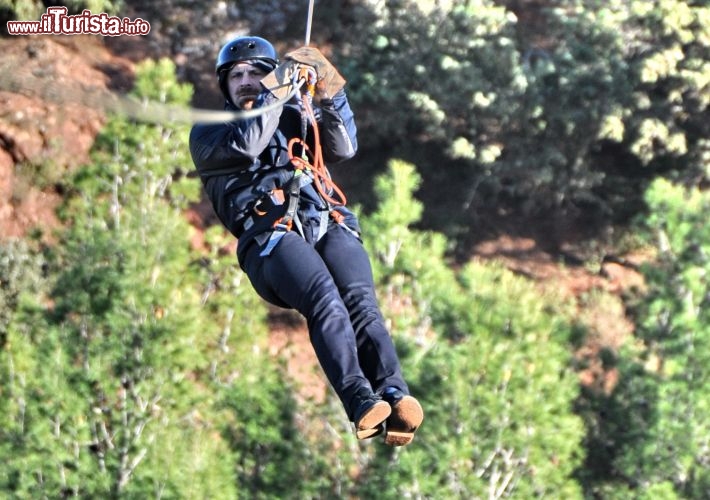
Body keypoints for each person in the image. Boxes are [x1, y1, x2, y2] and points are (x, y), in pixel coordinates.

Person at [189, 36, 423, 446]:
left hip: (326, 221)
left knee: (361, 305)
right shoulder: (210, 133)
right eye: (237, 76)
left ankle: (395, 395)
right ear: (224, 86)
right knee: (325, 300)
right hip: (270, 238)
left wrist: (329, 94)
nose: (245, 81)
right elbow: (248, 145)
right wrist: (277, 89)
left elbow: (344, 148)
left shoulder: (297, 115)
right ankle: (360, 401)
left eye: (255, 72)